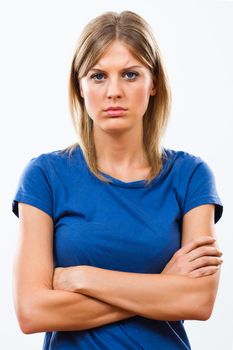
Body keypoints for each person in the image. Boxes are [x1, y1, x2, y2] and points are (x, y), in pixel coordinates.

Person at [12, 10, 223, 350]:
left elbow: (197, 301)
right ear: (79, 86)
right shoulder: (45, 176)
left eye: (130, 74)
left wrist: (81, 277)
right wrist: (161, 286)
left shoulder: (190, 176)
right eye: (97, 76)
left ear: (153, 83)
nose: (114, 91)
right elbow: (32, 311)